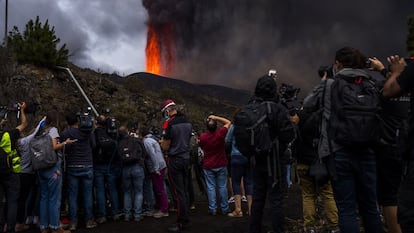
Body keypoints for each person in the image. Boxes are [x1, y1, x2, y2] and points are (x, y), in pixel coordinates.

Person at [328, 47, 384, 233]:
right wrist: (382, 70)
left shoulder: (333, 84)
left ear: (338, 63)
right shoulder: (372, 84)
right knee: (370, 208)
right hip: (368, 152)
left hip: (341, 151)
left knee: (346, 210)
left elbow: (327, 119)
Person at [247, 75, 296, 233]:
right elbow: (289, 134)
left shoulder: (250, 108)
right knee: (276, 200)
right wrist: (278, 149)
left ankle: (254, 229)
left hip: (256, 160)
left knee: (258, 198)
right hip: (275, 162)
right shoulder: (278, 109)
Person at [369, 57, 409, 233]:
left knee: (389, 196)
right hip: (408, 147)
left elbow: (388, 89)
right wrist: (388, 71)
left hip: (389, 147)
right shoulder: (408, 86)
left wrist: (387, 71)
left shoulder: (383, 90)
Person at [296, 71, 339, 233]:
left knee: (308, 195)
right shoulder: (325, 117)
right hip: (321, 162)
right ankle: (334, 226)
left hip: (302, 162)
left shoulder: (299, 116)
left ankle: (310, 227)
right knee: (328, 194)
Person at [382, 55, 414, 233]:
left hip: (397, 150)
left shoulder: (410, 71)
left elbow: (389, 90)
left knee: (399, 204)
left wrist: (395, 72)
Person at [37, 110, 75, 233]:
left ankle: (44, 225)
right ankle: (54, 226)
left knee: (44, 197)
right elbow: (54, 146)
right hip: (53, 166)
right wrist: (65, 143)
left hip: (41, 165)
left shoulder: (39, 130)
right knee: (54, 198)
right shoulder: (53, 130)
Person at [159, 99, 192, 233]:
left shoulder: (169, 124)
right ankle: (186, 216)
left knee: (178, 194)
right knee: (184, 190)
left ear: (167, 111)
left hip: (175, 160)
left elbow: (166, 146)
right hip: (186, 158)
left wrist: (161, 142)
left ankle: (182, 223)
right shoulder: (187, 121)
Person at [60, 112, 97, 231]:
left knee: (72, 195)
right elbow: (94, 145)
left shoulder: (66, 133)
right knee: (88, 194)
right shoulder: (87, 132)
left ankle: (73, 222)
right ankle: (89, 220)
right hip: (87, 165)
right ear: (77, 121)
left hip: (72, 166)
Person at [0, 102, 27, 233]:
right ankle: (10, 227)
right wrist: (22, 110)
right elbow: (24, 125)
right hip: (10, 172)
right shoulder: (7, 135)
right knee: (12, 201)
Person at [15, 116, 46, 232]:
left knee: (17, 199)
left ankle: (15, 221)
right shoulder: (25, 142)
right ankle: (21, 222)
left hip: (17, 173)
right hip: (27, 174)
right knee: (24, 198)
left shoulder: (15, 143)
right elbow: (37, 131)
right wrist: (43, 120)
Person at [199, 114, 231, 216]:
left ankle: (212, 209)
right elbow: (228, 122)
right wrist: (215, 117)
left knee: (211, 187)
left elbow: (200, 145)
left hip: (208, 165)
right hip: (221, 163)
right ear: (216, 126)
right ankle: (224, 208)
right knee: (222, 187)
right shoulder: (220, 134)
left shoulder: (203, 137)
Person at [92, 115, 122, 224]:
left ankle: (102, 214)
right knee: (112, 189)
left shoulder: (95, 134)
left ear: (96, 123)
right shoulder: (112, 133)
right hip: (111, 164)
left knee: (100, 190)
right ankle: (115, 213)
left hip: (99, 165)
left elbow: (93, 147)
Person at [117, 126, 147, 222]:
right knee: (138, 191)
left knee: (127, 192)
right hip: (137, 166)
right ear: (128, 132)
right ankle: (137, 215)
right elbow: (144, 152)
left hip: (125, 168)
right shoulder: (136, 140)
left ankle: (127, 214)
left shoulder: (119, 143)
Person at [225, 122, 253, 217]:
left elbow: (227, 140)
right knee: (249, 182)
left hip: (236, 156)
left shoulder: (234, 126)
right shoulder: (251, 124)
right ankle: (251, 209)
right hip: (249, 156)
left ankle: (238, 209)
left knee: (236, 182)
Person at [142, 126, 169, 218]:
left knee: (159, 189)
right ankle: (160, 206)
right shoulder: (151, 139)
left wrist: (156, 168)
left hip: (156, 166)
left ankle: (164, 209)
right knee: (158, 188)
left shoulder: (146, 141)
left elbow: (152, 154)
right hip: (160, 164)